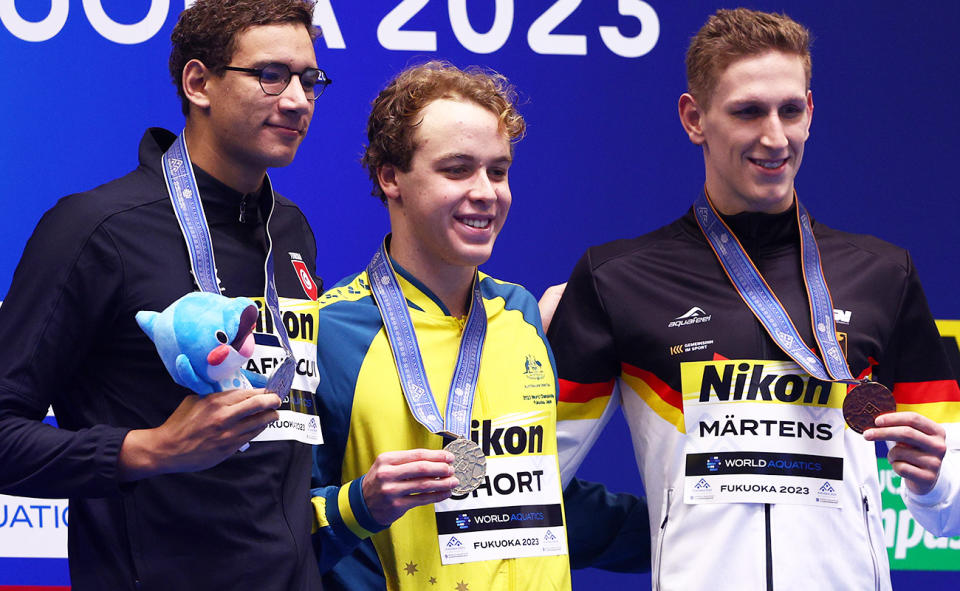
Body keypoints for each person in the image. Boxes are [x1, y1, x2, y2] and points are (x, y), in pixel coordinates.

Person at [545, 8, 960, 591]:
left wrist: (934, 483)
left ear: (810, 113)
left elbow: (951, 512)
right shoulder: (618, 279)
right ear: (695, 118)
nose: (774, 136)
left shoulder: (882, 273)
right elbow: (524, 474)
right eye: (748, 111)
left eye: (790, 110)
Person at [0, 1, 329, 589]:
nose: (298, 100)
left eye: (309, 79)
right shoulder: (97, 229)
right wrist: (149, 450)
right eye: (272, 75)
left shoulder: (293, 230)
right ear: (198, 82)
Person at [309, 61, 647, 590]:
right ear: (390, 176)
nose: (487, 191)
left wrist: (688, 530)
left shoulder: (521, 315)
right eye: (457, 169)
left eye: (498, 170)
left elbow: (538, 504)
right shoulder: (327, 331)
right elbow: (273, 530)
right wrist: (361, 503)